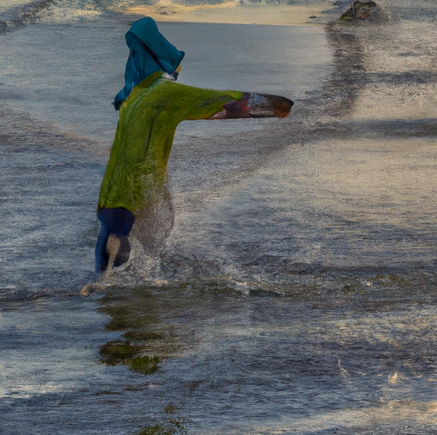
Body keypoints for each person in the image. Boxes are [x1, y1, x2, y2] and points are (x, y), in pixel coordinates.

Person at [95, 17, 292, 277]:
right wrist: (273, 105)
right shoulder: (162, 92)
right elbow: (215, 101)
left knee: (107, 253)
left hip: (109, 195)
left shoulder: (132, 97)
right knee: (123, 253)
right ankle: (117, 300)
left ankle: (101, 296)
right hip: (135, 192)